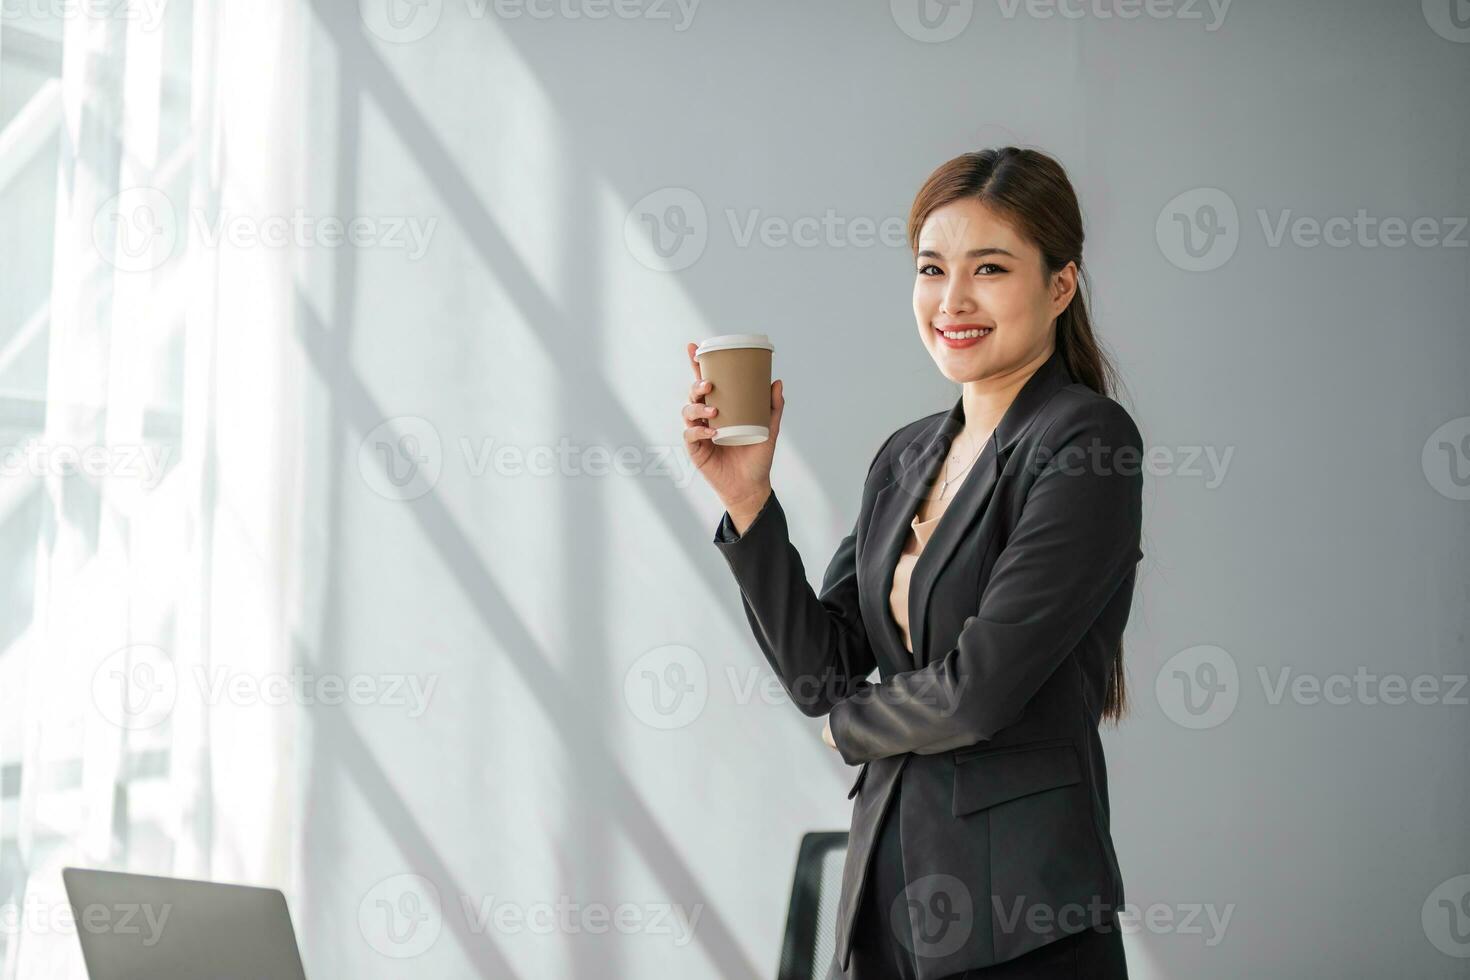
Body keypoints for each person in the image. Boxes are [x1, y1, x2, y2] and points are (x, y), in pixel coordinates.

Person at [683, 147, 1141, 979]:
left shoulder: (1084, 443)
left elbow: (980, 689)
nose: (953, 301)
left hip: (1020, 917)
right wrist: (750, 502)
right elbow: (822, 674)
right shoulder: (907, 456)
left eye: (990, 268)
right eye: (933, 269)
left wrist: (847, 729)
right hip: (888, 897)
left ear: (1060, 286)